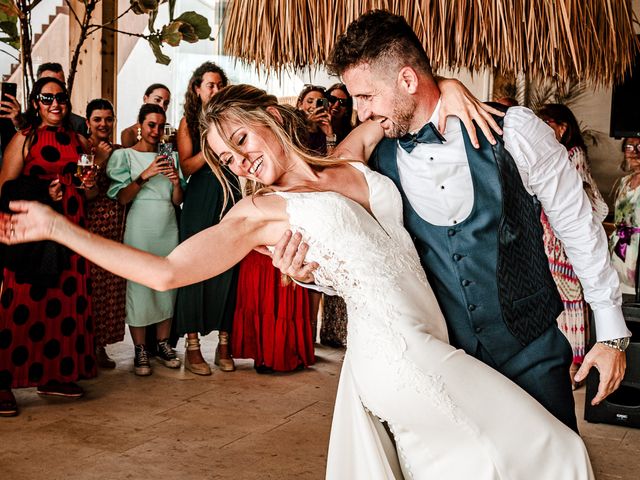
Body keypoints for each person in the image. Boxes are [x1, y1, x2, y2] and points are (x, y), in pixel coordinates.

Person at [0, 84, 594, 478]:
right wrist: (59, 228)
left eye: (240, 140)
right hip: (399, 356)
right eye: (226, 158)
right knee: (551, 452)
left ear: (272, 119)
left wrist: (458, 89)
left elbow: (399, 101)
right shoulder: (258, 215)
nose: (239, 161)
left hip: (430, 341)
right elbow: (167, 270)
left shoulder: (346, 158)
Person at [273, 10, 629, 433]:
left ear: (407, 80)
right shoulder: (375, 162)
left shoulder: (515, 131)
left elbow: (578, 226)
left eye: (366, 97)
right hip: (442, 365)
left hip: (532, 354)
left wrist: (610, 333)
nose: (361, 112)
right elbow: (362, 254)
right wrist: (309, 274)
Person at [0, 77, 96, 416]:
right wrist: (44, 193)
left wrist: (90, 184)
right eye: (47, 98)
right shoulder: (24, 139)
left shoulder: (79, 141)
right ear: (36, 103)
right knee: (23, 305)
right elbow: (5, 190)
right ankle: (3, 381)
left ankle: (54, 375)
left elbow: (92, 190)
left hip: (71, 231)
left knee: (65, 304)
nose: (55, 103)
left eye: (61, 97)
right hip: (34, 235)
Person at [107, 103, 184, 376]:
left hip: (167, 224)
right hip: (139, 225)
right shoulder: (125, 156)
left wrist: (175, 183)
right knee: (138, 286)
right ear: (140, 125)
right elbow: (121, 197)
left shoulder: (171, 156)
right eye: (151, 125)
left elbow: (178, 201)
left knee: (167, 284)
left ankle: (163, 344)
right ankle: (140, 349)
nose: (155, 131)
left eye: (160, 126)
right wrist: (145, 174)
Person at [537, 103, 609, 388]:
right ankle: (563, 363)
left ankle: (574, 365)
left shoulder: (573, 155)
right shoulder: (554, 155)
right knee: (559, 301)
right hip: (551, 239)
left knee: (571, 302)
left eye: (546, 124)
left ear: (562, 128)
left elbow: (572, 202)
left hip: (566, 241)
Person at [175, 62, 239, 375]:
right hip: (200, 198)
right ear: (197, 89)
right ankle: (192, 347)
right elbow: (186, 167)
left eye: (219, 85)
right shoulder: (188, 122)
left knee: (230, 266)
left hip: (231, 194)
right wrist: (212, 148)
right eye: (209, 85)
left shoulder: (232, 119)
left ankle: (224, 343)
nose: (215, 90)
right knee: (194, 267)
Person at [84, 98, 125, 369]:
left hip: (116, 228)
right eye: (97, 119)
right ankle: (87, 347)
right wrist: (98, 160)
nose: (103, 124)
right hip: (91, 229)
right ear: (88, 122)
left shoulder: (120, 150)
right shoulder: (83, 149)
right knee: (92, 290)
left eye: (108, 119)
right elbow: (88, 192)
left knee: (111, 291)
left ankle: (100, 347)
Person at [610, 137, 640, 296]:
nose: (634, 151)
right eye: (629, 146)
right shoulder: (624, 182)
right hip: (620, 252)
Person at [120, 84, 171, 148]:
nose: (162, 106)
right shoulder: (129, 133)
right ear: (145, 99)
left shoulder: (171, 133)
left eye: (166, 103)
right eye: (157, 100)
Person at [296, 85, 335, 154]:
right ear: (300, 105)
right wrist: (309, 128)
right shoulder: (293, 126)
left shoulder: (325, 126)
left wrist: (329, 135)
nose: (314, 106)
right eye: (310, 101)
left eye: (319, 103)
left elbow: (331, 159)